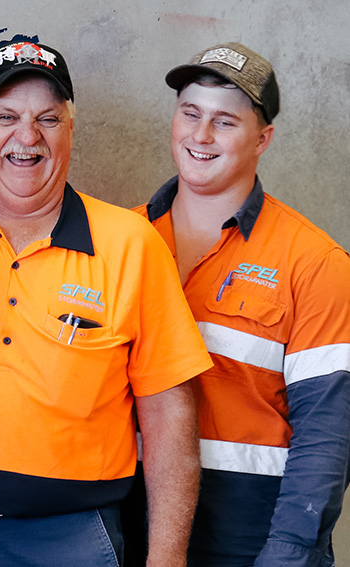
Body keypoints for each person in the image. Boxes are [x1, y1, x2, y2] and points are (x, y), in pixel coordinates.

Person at [0, 40, 214, 567]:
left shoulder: (132, 245)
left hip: (72, 539)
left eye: (47, 120)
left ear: (70, 130)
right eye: (5, 117)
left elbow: (169, 414)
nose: (27, 137)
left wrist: (167, 559)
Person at [131, 42, 350, 567]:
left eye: (225, 122)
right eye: (191, 114)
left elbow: (328, 435)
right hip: (127, 523)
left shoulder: (314, 262)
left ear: (262, 139)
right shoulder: (121, 239)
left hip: (251, 536)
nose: (201, 136)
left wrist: (288, 553)